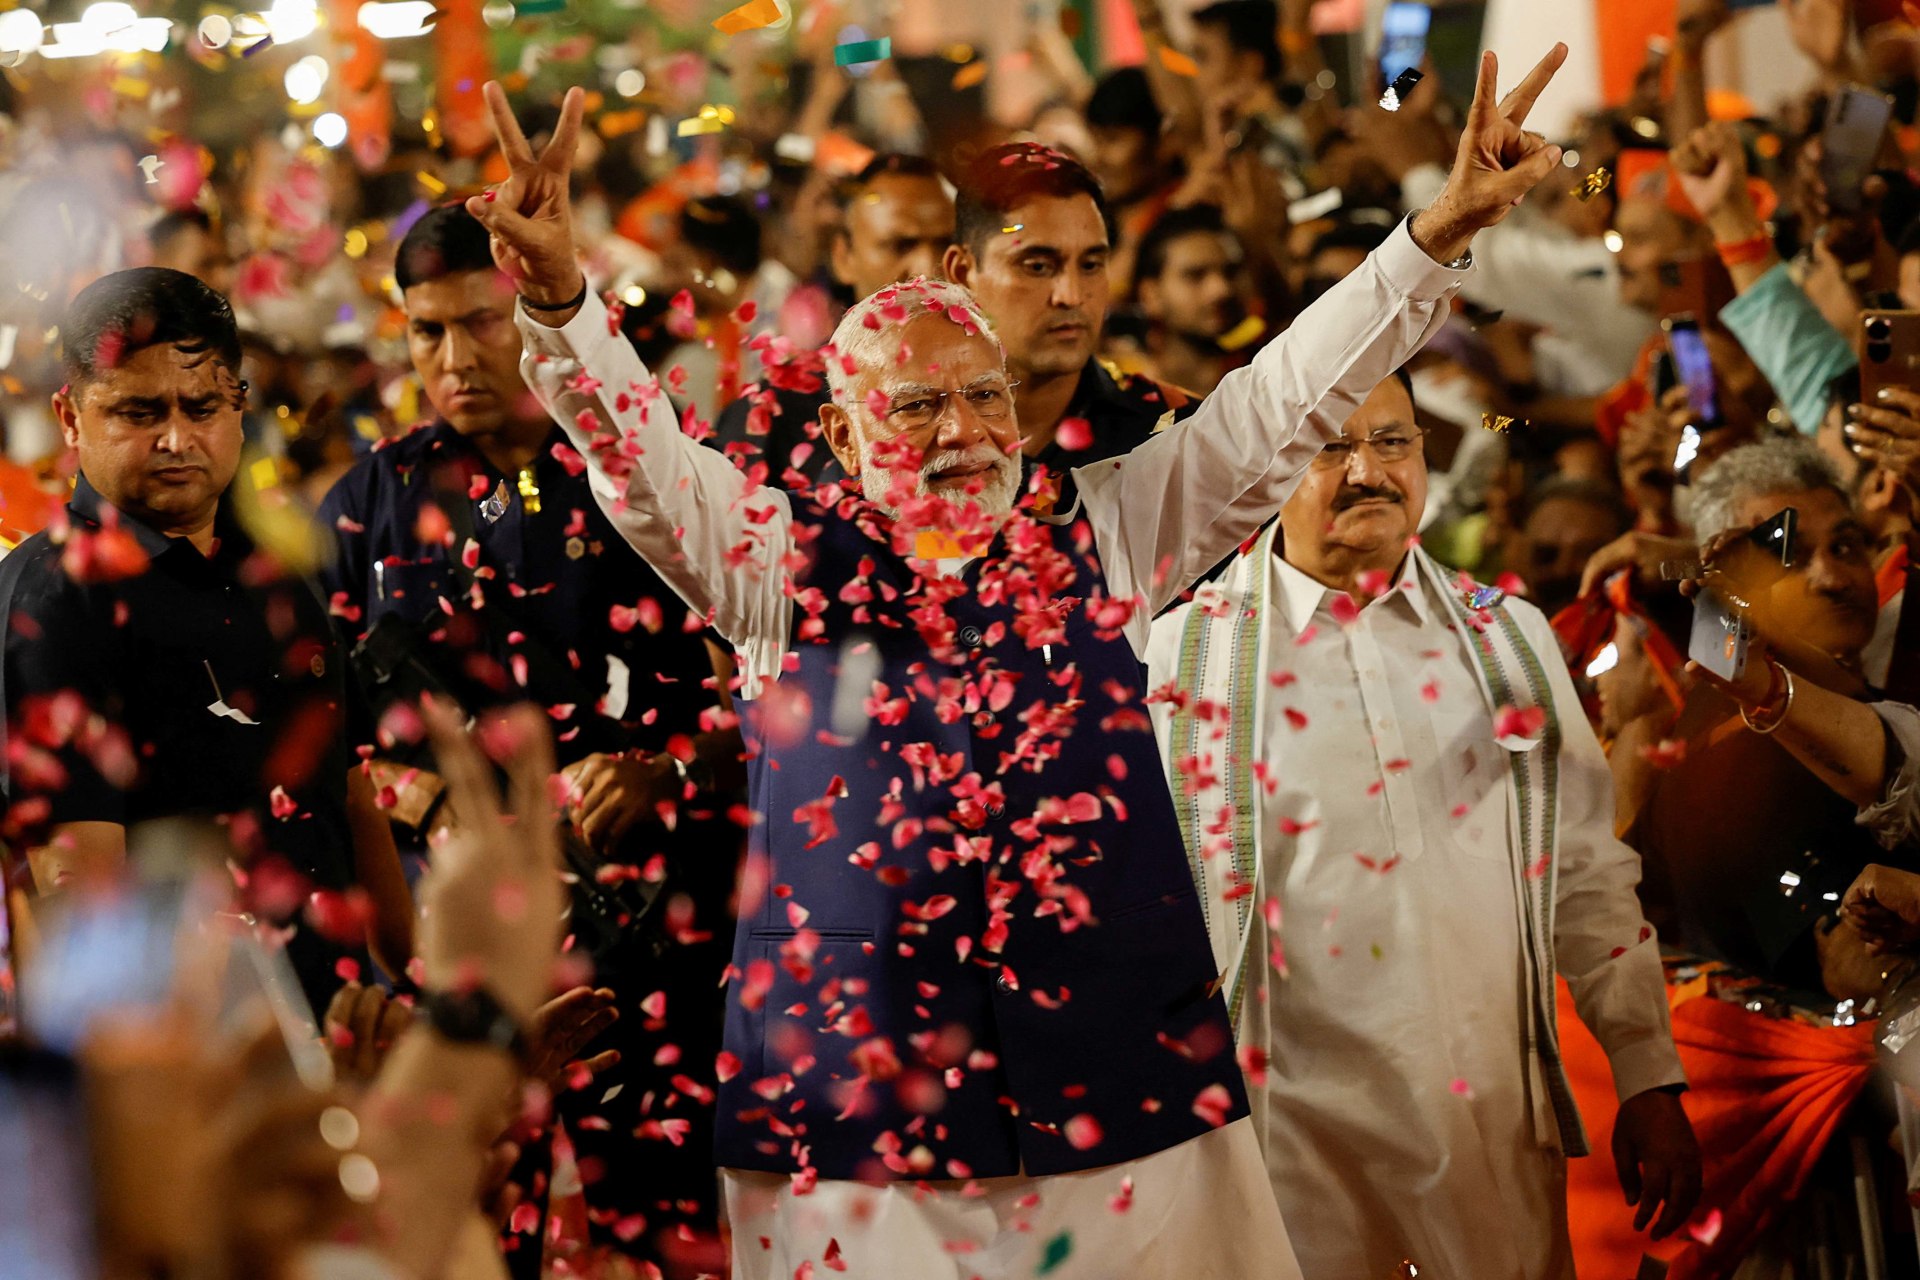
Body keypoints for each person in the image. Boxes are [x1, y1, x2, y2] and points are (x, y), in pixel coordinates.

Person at [465, 40, 1571, 1275]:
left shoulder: (1107, 528)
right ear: (836, 430)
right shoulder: (768, 560)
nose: (962, 433)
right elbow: (644, 468)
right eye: (916, 406)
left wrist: (1434, 236)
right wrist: (562, 301)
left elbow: (1280, 402)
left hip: (1120, 1103)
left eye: (984, 397)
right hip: (858, 1128)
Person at [1149, 368, 1700, 1279]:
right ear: (1268, 468)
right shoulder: (1180, 658)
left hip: (1486, 1116)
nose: (1367, 471)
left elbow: (1588, 878)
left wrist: (1646, 1075)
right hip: (1286, 1134)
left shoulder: (1511, 637)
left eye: (1394, 442)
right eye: (1330, 445)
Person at [316, 202, 742, 1265]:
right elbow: (323, 738)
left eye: (483, 321)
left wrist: (666, 765)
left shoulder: (642, 477)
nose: (454, 358)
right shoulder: (366, 503)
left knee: (668, 1228)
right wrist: (428, 799)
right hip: (467, 965)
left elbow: (763, 681)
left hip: (662, 938)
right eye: (424, 331)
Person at [0, 266, 413, 1009]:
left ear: (240, 406)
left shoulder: (275, 574)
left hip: (331, 1045)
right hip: (189, 1066)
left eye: (202, 407)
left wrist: (427, 999)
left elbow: (349, 799)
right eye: (137, 411)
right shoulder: (57, 600)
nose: (175, 439)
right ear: (70, 417)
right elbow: (74, 890)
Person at [1622, 436, 1895, 997]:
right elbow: (1849, 965)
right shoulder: (1724, 747)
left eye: (1846, 548)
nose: (1832, 578)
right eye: (1789, 558)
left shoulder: (1875, 704)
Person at [942, 142, 1194, 511]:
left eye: (1091, 265)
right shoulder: (909, 439)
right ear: (963, 273)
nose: (1072, 295)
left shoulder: (1177, 432)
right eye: (1038, 266)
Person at [709, 154, 956, 488]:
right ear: (844, 258)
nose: (929, 269)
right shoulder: (775, 413)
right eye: (901, 245)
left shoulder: (995, 395)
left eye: (946, 245)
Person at [1127, 204, 1255, 396]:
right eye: (1195, 275)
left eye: (1230, 272)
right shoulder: (1126, 391)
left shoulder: (1266, 373)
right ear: (1151, 294)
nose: (1221, 290)